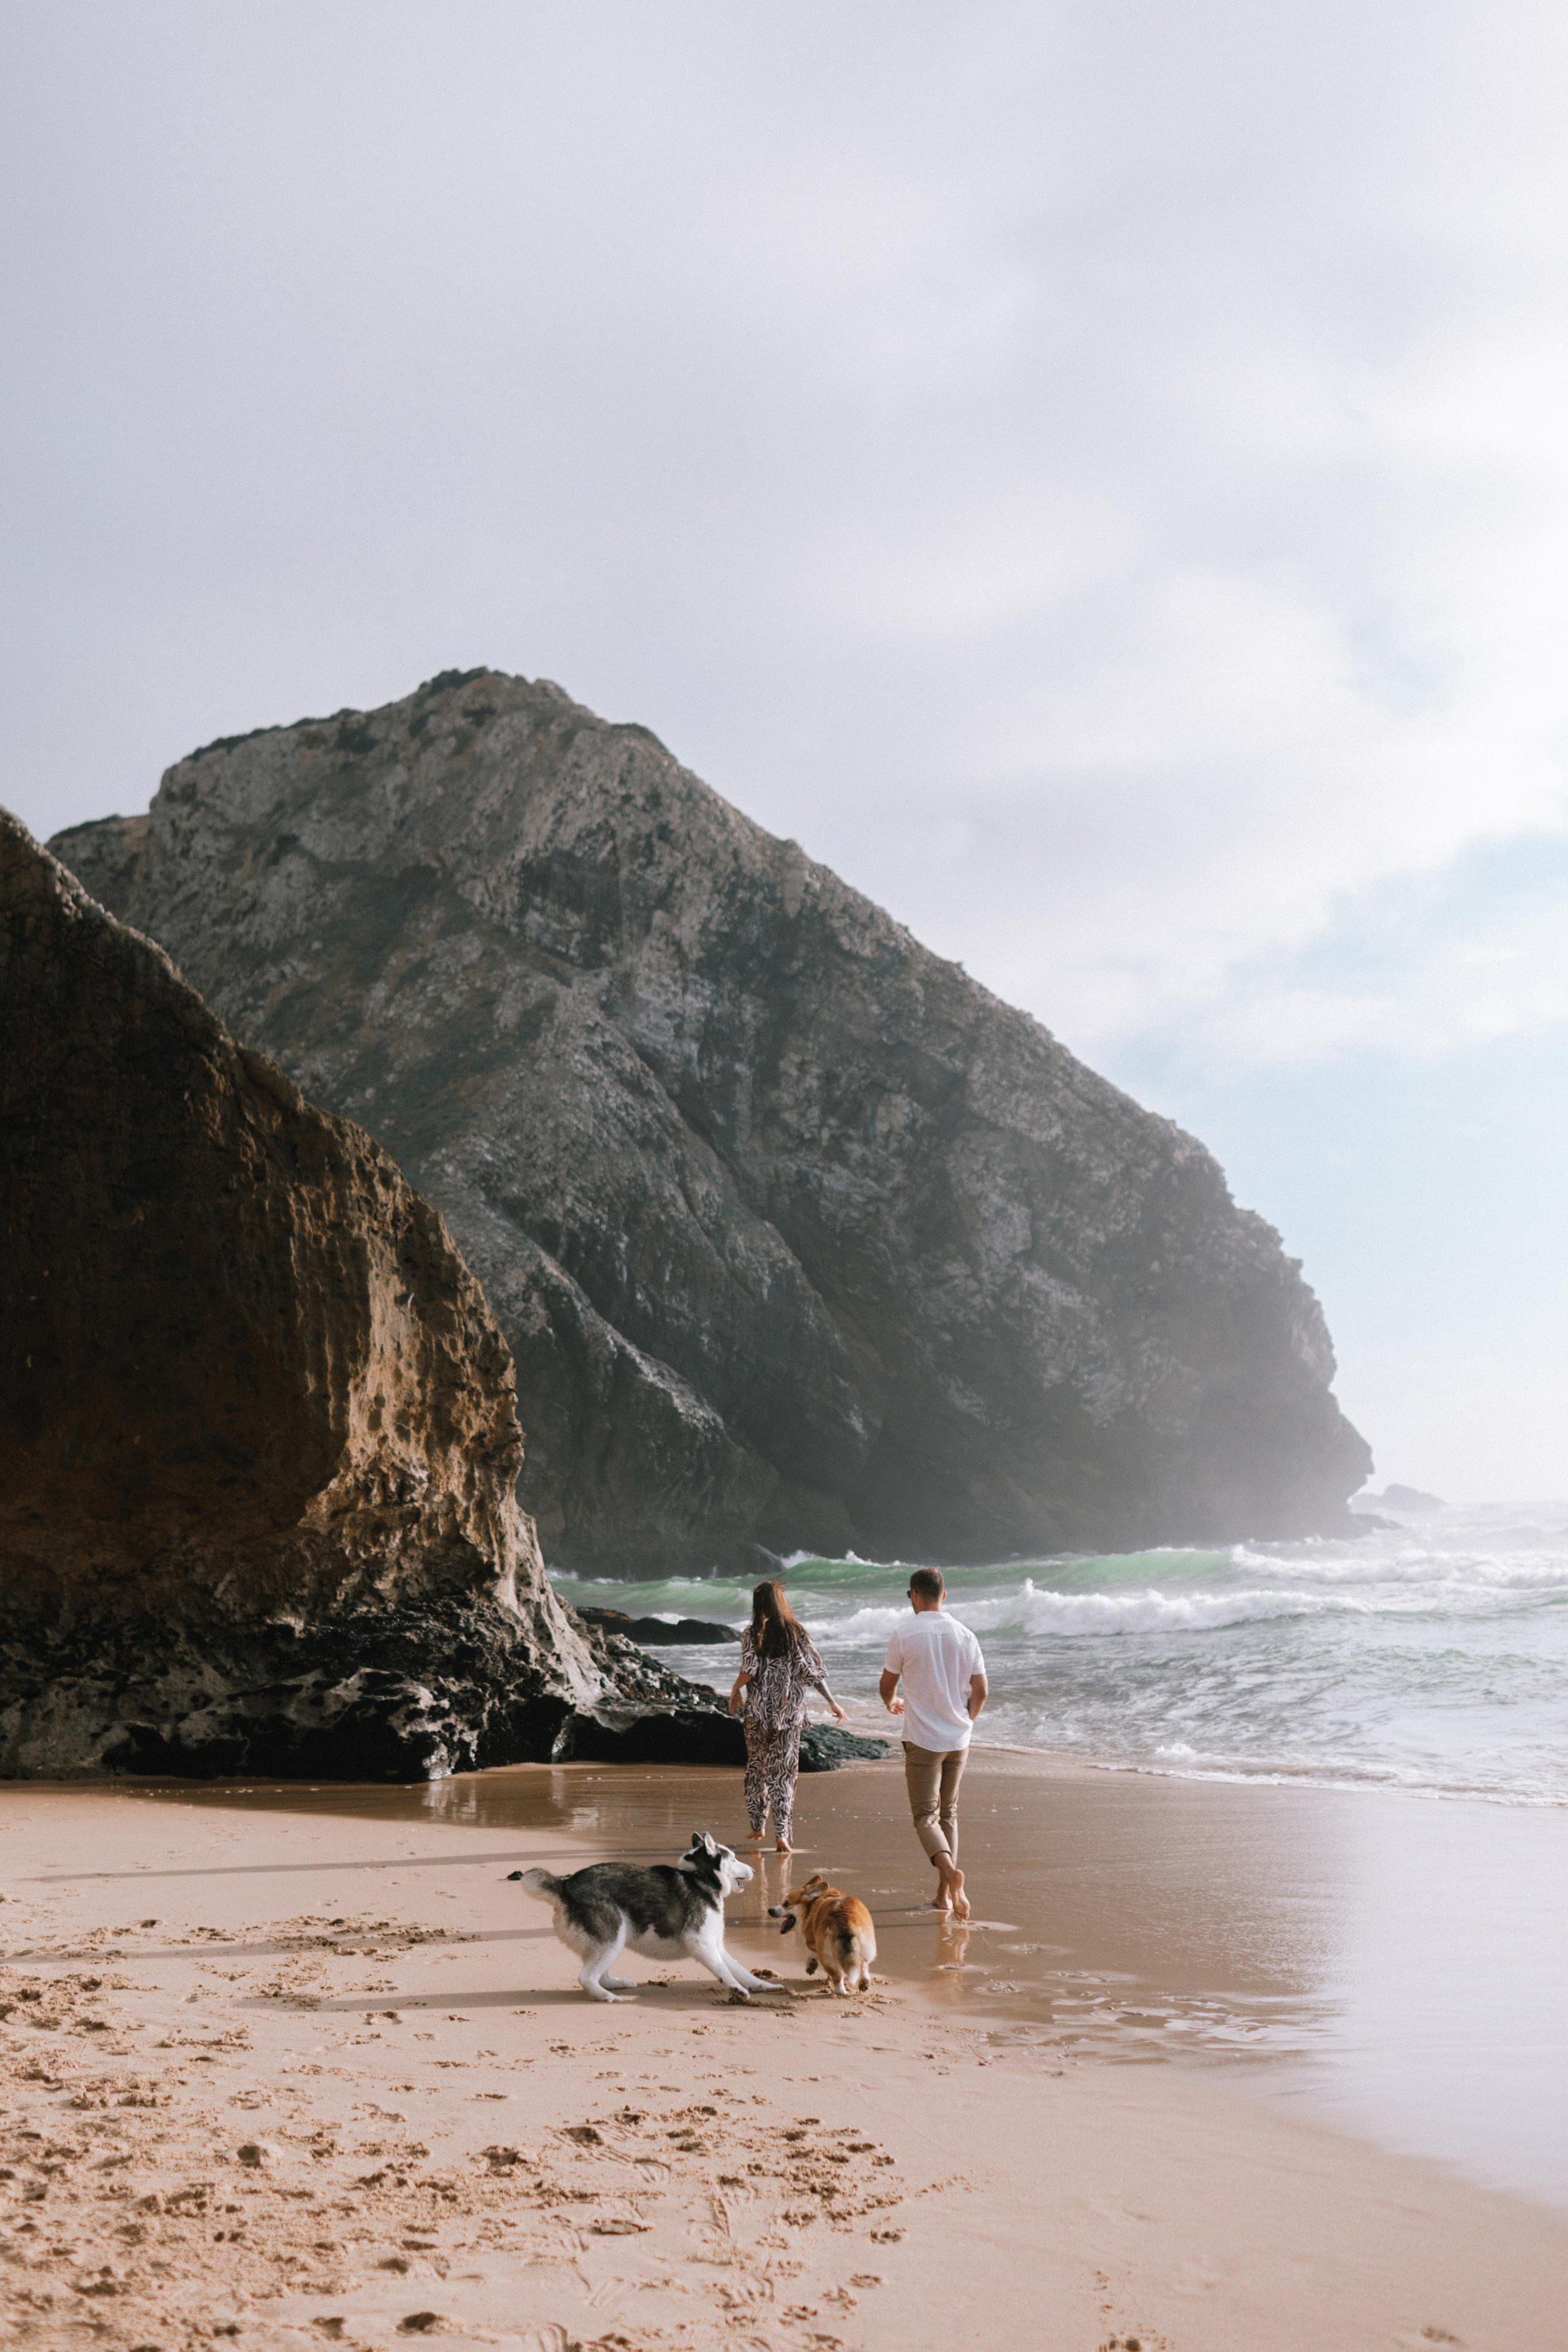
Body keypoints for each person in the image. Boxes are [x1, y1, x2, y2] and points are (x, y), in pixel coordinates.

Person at [879, 1567, 987, 1919]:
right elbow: (982, 1691)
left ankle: (952, 1876)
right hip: (958, 1739)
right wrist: (966, 1722)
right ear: (944, 1595)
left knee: (926, 1817)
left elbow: (887, 1684)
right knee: (948, 1814)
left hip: (923, 1739)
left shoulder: (905, 1633)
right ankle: (944, 1896)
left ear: (914, 1594)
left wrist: (891, 1702)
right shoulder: (966, 1635)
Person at [728, 1580, 845, 1853]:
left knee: (757, 1767)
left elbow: (749, 1670)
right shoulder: (797, 1633)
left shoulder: (752, 1633)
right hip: (790, 1716)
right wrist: (832, 1702)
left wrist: (735, 1689)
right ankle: (782, 1834)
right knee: (784, 1774)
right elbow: (813, 1674)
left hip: (758, 1715)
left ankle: (758, 1825)